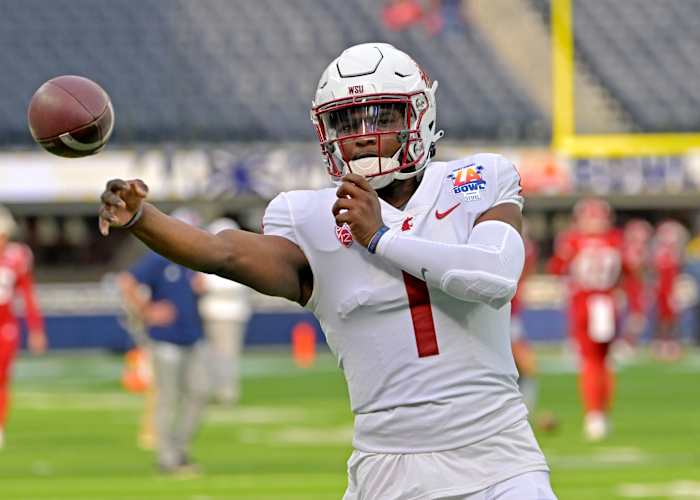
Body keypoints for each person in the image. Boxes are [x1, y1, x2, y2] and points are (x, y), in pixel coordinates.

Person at [99, 43, 555, 498]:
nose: (360, 133)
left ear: (419, 115)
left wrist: (380, 237)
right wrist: (145, 219)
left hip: (500, 462)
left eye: (380, 116)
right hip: (387, 469)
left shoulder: (477, 180)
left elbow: (494, 278)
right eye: (345, 121)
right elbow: (225, 253)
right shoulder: (310, 216)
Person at [117, 208, 209, 474]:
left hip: (192, 335)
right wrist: (146, 313)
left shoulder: (194, 259)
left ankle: (179, 450)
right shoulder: (160, 257)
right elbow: (127, 282)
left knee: (199, 393)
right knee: (168, 398)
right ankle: (168, 459)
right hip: (166, 340)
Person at [548, 198, 622, 442]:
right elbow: (630, 270)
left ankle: (594, 416)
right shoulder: (614, 240)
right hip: (608, 302)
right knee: (605, 362)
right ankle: (603, 414)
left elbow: (556, 268)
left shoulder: (572, 240)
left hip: (585, 304)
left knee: (590, 362)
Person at [0, 205, 47, 449]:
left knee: (2, 379)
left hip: (5, 327)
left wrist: (36, 329)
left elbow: (27, 294)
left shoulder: (17, 257)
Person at [199, 217, 251, 405]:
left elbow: (237, 288)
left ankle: (226, 393)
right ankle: (215, 390)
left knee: (227, 355)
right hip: (213, 312)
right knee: (212, 355)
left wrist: (207, 288)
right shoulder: (209, 258)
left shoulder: (240, 260)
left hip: (229, 314)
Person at [650, 219, 687, 361]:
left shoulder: (677, 253)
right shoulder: (658, 253)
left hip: (672, 289)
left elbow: (679, 270)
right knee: (661, 317)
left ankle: (672, 342)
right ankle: (661, 342)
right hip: (662, 290)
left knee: (673, 317)